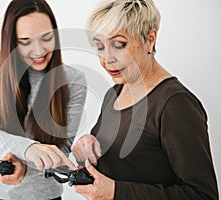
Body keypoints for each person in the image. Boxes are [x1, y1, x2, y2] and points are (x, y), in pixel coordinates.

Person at [71, 0, 219, 199]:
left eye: (118, 45)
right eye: (100, 46)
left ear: (150, 39)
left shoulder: (176, 105)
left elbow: (203, 195)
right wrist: (88, 143)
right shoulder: (114, 93)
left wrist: (116, 192)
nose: (106, 59)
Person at [0, 0, 87, 199]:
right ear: (12, 41)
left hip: (45, 196)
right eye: (25, 41)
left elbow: (63, 151)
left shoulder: (73, 81)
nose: (38, 51)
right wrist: (29, 149)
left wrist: (26, 168)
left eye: (46, 38)